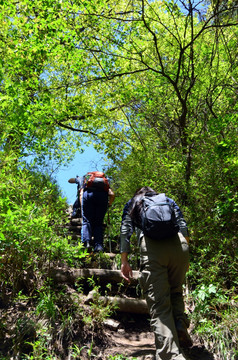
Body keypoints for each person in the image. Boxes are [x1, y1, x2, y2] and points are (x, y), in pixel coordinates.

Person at [120, 186, 192, 360]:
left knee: (159, 306)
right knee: (175, 290)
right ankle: (179, 324)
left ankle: (171, 356)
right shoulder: (167, 200)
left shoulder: (133, 203)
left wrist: (124, 260)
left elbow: (125, 231)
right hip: (179, 246)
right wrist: (185, 254)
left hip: (152, 249)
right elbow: (183, 225)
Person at [70, 172, 115, 252]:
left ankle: (86, 243)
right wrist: (109, 204)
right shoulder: (105, 182)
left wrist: (82, 205)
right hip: (103, 198)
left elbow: (81, 193)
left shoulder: (85, 181)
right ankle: (99, 246)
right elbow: (112, 194)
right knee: (98, 223)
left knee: (87, 221)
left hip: (88, 196)